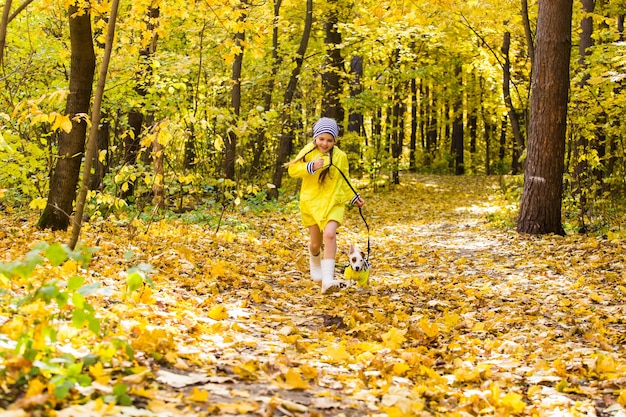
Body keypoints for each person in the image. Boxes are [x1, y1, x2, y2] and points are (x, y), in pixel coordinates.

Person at [285, 117, 365, 294]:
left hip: (333, 203)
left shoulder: (340, 157)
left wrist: (354, 197)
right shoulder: (308, 151)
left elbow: (345, 181)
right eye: (321, 139)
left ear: (335, 141)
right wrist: (310, 166)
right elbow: (292, 170)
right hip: (311, 203)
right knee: (316, 244)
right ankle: (315, 262)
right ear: (315, 138)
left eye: (329, 140)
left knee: (330, 234)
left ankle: (328, 280)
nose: (325, 143)